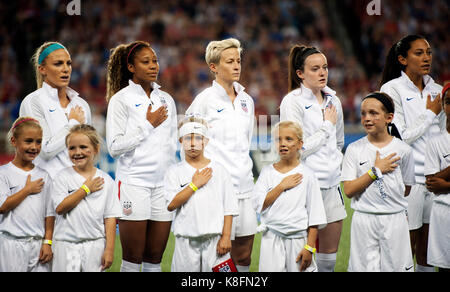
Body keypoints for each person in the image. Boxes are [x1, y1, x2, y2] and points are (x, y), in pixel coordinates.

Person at [105, 41, 178, 272]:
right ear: (131, 67)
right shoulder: (121, 100)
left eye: (154, 60)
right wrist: (148, 125)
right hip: (134, 184)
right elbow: (114, 147)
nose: (153, 66)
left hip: (163, 187)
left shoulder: (166, 99)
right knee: (132, 258)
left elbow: (171, 144)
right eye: (145, 62)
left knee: (155, 258)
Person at [185, 38, 256, 272]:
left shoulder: (247, 101)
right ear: (214, 67)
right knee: (218, 256)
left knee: (244, 255)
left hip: (245, 186)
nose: (237, 65)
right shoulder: (203, 101)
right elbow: (190, 143)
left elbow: (247, 142)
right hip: (216, 189)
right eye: (230, 61)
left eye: (238, 60)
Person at [279, 44, 346, 272]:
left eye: (325, 67)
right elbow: (296, 149)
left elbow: (338, 143)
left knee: (329, 262)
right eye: (315, 68)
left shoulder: (333, 101)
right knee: (302, 261)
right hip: (305, 188)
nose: (322, 73)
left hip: (332, 187)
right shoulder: (292, 102)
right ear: (300, 73)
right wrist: (326, 126)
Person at [380, 35, 444, 272]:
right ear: (402, 59)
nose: (426, 57)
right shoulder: (391, 89)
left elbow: (444, 138)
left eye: (428, 52)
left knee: (429, 252)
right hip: (408, 181)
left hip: (435, 182)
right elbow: (401, 137)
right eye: (418, 53)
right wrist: (430, 114)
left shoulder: (438, 90)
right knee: (405, 250)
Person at [342, 92, 415, 272]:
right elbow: (349, 190)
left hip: (395, 220)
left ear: (389, 118)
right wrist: (376, 171)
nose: (367, 118)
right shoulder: (353, 149)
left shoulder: (403, 150)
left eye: (374, 113)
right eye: (364, 113)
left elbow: (406, 188)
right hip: (363, 220)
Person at [164, 115, 239, 272]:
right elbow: (171, 204)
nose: (192, 143)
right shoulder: (174, 172)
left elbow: (229, 208)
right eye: (187, 139)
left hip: (215, 242)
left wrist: (226, 236)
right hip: (185, 242)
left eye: (198, 138)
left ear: (206, 141)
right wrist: (194, 185)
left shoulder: (219, 170)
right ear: (180, 141)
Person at [253, 121, 326, 272]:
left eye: (288, 139)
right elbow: (259, 204)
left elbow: (315, 216)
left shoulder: (308, 175)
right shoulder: (267, 172)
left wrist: (309, 248)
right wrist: (281, 186)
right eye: (278, 139)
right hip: (271, 239)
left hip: (299, 240)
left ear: (300, 144)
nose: (283, 143)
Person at [51, 124, 121, 272]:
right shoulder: (62, 177)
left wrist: (109, 250)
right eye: (72, 148)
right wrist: (85, 189)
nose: (78, 152)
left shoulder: (106, 180)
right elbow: (60, 208)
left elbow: (110, 218)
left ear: (96, 149)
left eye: (83, 147)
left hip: (95, 245)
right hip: (66, 245)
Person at [19, 41, 91, 179]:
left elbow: (90, 150)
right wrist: (73, 123)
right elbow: (44, 150)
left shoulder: (81, 105)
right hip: (46, 189)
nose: (66, 69)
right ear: (42, 69)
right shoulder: (33, 102)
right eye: (58, 64)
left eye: (68, 63)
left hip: (80, 187)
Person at [0, 117, 54, 272]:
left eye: (38, 142)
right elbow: (2, 207)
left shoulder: (44, 176)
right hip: (10, 244)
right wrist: (27, 190)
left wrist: (47, 242)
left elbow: (49, 214)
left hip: (38, 247)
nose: (34, 147)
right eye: (28, 141)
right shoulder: (3, 174)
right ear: (14, 141)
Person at [424, 83, 450, 272]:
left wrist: (445, 181)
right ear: (443, 106)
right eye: (449, 102)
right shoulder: (434, 142)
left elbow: (439, 181)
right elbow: (432, 182)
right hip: (443, 212)